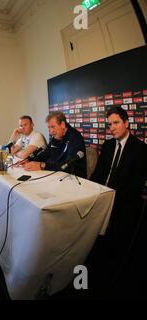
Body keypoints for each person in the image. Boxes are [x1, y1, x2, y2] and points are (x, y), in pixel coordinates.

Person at [87, 106, 147, 297]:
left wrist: (111, 199)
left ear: (126, 123)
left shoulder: (140, 149)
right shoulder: (107, 146)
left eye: (116, 123)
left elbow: (136, 185)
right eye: (109, 124)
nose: (112, 128)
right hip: (103, 199)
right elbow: (98, 175)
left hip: (124, 205)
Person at [23, 111, 87, 178]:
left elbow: (68, 166)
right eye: (49, 127)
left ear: (62, 124)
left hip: (74, 179)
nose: (51, 131)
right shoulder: (56, 137)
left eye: (53, 127)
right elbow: (46, 154)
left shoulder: (75, 137)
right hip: (57, 175)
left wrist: (43, 165)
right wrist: (30, 160)